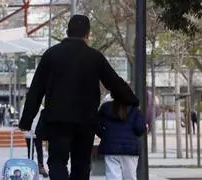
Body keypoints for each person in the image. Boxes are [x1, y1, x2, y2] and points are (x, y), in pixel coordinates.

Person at [19, 15, 139, 180]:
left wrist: (26, 120)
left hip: (57, 121)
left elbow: (36, 90)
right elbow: (114, 82)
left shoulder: (51, 54)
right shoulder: (94, 57)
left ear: (67, 31)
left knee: (57, 162)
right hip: (85, 121)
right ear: (87, 34)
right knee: (81, 164)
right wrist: (131, 100)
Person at [96, 92, 145, 180]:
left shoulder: (105, 108)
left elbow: (97, 126)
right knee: (130, 177)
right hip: (130, 149)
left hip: (111, 149)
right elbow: (140, 129)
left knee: (112, 176)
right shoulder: (134, 110)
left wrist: (106, 136)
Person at [20, 97, 49, 177]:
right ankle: (40, 167)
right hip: (37, 132)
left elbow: (21, 119)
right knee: (39, 150)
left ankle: (30, 167)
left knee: (30, 150)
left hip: (29, 131)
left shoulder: (24, 106)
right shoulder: (40, 107)